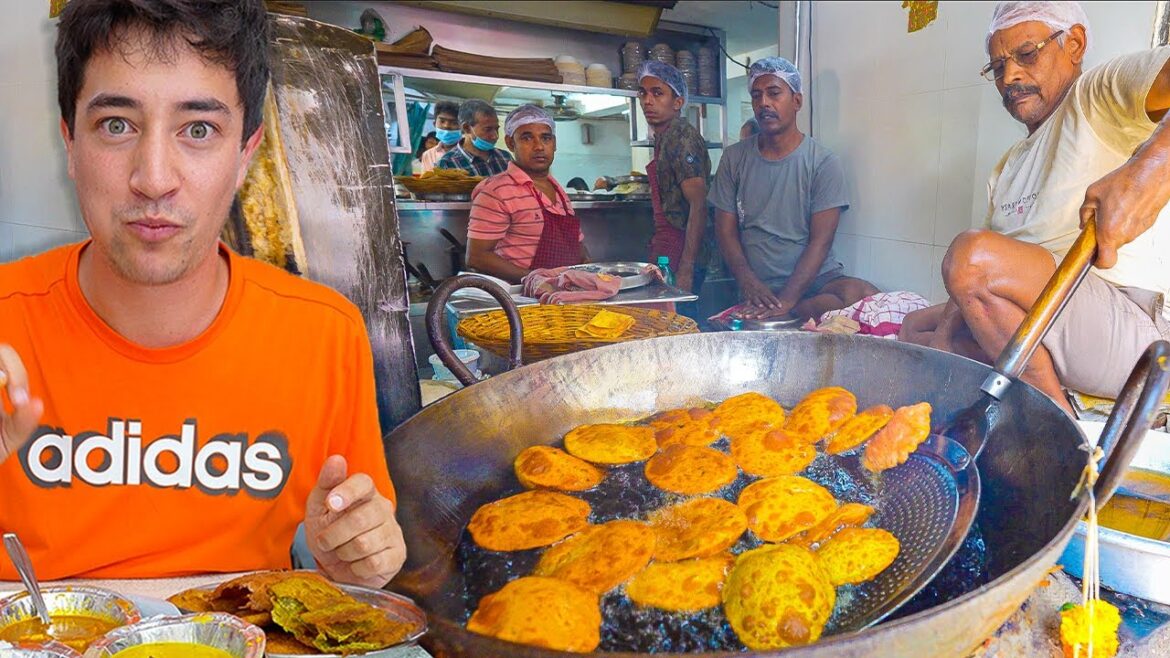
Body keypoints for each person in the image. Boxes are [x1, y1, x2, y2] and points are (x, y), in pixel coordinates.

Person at [0, 0, 405, 587]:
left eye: (198, 129)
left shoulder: (324, 334)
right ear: (70, 143)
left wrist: (356, 557)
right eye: (117, 125)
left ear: (246, 154)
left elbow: (361, 542)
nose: (155, 178)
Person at [901, 1, 1170, 412]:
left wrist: (1152, 168)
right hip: (1042, 323)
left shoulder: (1096, 95)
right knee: (914, 328)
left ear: (1074, 44)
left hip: (1128, 334)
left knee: (971, 257)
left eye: (1027, 54)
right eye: (997, 67)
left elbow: (975, 266)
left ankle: (1056, 421)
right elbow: (983, 289)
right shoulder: (1008, 166)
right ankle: (1041, 390)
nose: (1010, 76)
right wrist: (942, 346)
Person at [709, 57, 879, 321]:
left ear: (797, 101)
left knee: (862, 294)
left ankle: (793, 312)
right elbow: (725, 230)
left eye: (774, 93)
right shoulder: (734, 158)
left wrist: (788, 300)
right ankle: (783, 311)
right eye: (757, 95)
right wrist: (748, 282)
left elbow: (821, 241)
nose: (764, 102)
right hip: (760, 283)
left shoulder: (822, 162)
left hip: (814, 281)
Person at [465, 105, 587, 282]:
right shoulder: (495, 191)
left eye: (545, 138)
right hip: (520, 299)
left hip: (562, 295)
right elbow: (477, 257)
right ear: (510, 143)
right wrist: (535, 280)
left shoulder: (559, 190)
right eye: (527, 138)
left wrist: (587, 267)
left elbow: (576, 243)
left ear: (554, 144)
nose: (538, 146)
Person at [636, 61, 711, 296]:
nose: (648, 101)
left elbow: (699, 205)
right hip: (668, 245)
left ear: (678, 102)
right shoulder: (665, 137)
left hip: (682, 250)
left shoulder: (682, 137)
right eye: (643, 93)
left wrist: (686, 268)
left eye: (658, 93)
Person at [436, 98, 513, 177]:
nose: (495, 136)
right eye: (488, 129)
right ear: (467, 128)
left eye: (496, 129)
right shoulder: (446, 165)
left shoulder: (505, 157)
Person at [419, 100, 460, 173]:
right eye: (442, 121)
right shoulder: (428, 155)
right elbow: (425, 181)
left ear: (462, 126)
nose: (446, 126)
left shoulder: (470, 152)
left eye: (454, 122)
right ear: (434, 124)